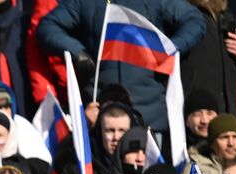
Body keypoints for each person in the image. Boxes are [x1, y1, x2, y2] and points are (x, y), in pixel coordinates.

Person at [38, 0, 205, 136]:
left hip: (149, 119)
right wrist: (77, 52)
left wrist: (170, 50)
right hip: (101, 117)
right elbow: (48, 26)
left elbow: (194, 20)